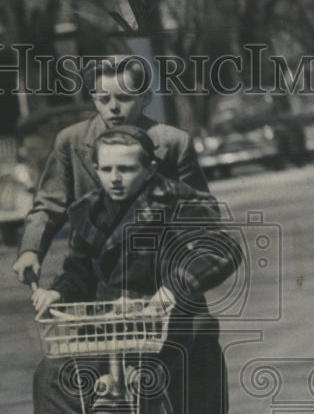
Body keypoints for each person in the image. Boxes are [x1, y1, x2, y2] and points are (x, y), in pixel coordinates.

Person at [10, 126, 242, 414]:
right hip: (110, 323)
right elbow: (79, 269)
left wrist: (173, 287)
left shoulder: (178, 201)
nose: (115, 178)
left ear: (148, 168)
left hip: (165, 322)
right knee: (55, 374)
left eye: (126, 168)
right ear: (96, 170)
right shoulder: (89, 210)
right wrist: (58, 290)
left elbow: (221, 249)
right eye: (107, 168)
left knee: (171, 367)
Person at [12, 55, 209, 286]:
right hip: (93, 273)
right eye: (103, 99)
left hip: (161, 273)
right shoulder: (71, 141)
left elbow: (200, 211)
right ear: (94, 99)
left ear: (145, 97)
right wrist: (31, 250)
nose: (113, 108)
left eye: (124, 98)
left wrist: (189, 271)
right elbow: (49, 204)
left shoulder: (174, 142)